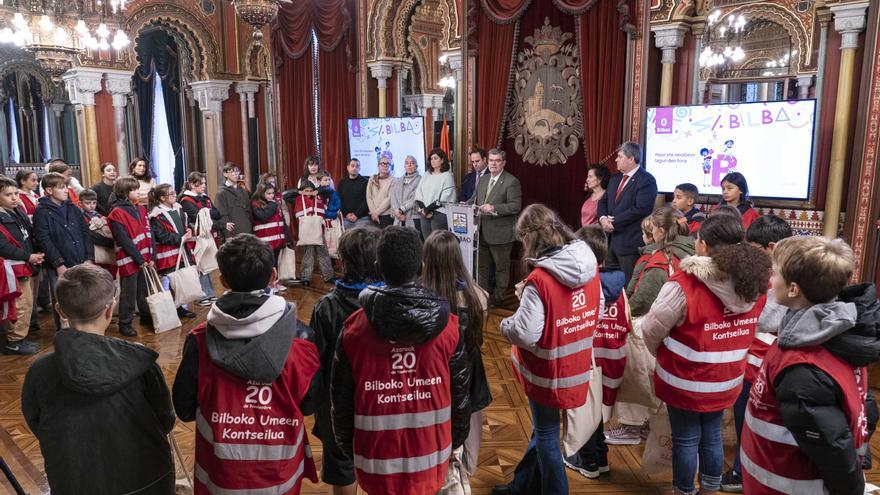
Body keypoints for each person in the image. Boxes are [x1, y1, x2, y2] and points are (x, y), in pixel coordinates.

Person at [172, 234, 320, 494]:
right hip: (279, 475)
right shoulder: (302, 340)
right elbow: (309, 405)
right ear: (273, 275)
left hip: (220, 474)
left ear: (223, 281)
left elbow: (184, 410)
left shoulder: (199, 340)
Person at [331, 226, 471, 495]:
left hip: (375, 462)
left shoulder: (353, 330)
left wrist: (354, 451)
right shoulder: (450, 329)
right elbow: (461, 399)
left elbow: (341, 404)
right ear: (420, 267)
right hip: (432, 457)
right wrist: (451, 443)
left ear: (377, 267)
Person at [641, 214, 770, 495]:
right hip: (726, 379)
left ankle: (684, 490)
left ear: (703, 246)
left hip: (683, 379)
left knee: (686, 439)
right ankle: (709, 490)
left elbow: (651, 329)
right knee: (712, 437)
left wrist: (659, 353)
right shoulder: (756, 283)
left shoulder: (684, 283)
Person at [741, 236, 880, 495]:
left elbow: (832, 444)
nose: (771, 278)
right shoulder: (834, 335)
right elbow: (864, 407)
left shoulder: (803, 368)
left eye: (775, 273)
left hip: (790, 485)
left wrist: (853, 487)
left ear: (793, 289)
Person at [21, 264, 175, 494]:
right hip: (146, 479)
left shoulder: (39, 371)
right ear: (110, 309)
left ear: (60, 311)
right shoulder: (142, 362)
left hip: (75, 482)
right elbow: (165, 420)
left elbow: (37, 423)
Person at [493, 204, 600, 495]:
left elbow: (525, 334)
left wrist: (506, 324)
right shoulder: (589, 266)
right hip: (577, 365)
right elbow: (597, 311)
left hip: (547, 372)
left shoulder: (539, 280)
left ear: (528, 236)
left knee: (547, 436)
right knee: (543, 431)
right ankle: (522, 486)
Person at [719, 214, 792, 493]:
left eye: (755, 249)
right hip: (767, 355)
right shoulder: (791, 269)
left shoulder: (780, 276)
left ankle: (742, 471)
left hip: (763, 357)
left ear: (771, 247)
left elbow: (764, 318)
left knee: (750, 417)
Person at [309, 225, 381, 495]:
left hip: (337, 403)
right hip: (382, 400)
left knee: (341, 464)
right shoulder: (391, 304)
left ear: (344, 260)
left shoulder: (326, 306)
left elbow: (314, 362)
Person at [422, 230, 491, 492]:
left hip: (434, 378)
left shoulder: (422, 297)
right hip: (470, 376)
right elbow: (478, 340)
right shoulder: (478, 296)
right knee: (468, 437)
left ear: (427, 260)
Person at [566, 224, 630, 479]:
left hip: (589, 357)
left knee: (585, 410)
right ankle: (601, 456)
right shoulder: (619, 283)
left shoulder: (583, 285)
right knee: (598, 411)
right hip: (613, 357)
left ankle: (588, 460)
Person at [33, 172, 95, 332]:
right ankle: (65, 333)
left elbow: (86, 233)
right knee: (62, 300)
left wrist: (89, 258)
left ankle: (84, 331)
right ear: (49, 190)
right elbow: (44, 239)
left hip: (81, 259)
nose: (66, 190)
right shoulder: (41, 212)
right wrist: (58, 263)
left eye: (66, 187)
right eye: (61, 188)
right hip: (59, 264)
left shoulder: (73, 208)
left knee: (83, 297)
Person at [468, 148, 522, 307]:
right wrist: (466, 204)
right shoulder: (483, 179)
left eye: (497, 160)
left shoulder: (511, 181)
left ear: (503, 163)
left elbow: (515, 206)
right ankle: (482, 297)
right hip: (481, 231)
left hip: (501, 234)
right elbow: (475, 199)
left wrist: (494, 208)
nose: (493, 163)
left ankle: (498, 299)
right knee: (481, 268)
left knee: (501, 269)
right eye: (491, 160)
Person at [597, 141, 659, 282]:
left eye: (620, 156)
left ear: (631, 159)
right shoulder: (615, 178)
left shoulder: (647, 180)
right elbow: (603, 202)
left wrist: (614, 222)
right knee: (609, 284)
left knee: (628, 284)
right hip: (610, 242)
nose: (616, 160)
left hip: (630, 244)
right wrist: (603, 219)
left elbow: (641, 208)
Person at [0, 177, 44, 355]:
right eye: (8, 194)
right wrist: (28, 256)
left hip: (25, 264)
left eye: (16, 193)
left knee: (26, 303)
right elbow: (3, 246)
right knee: (20, 304)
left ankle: (20, 337)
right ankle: (15, 341)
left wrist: (34, 253)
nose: (14, 198)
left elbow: (27, 235)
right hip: (12, 267)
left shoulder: (17, 210)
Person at [628, 207, 694, 318]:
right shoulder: (697, 251)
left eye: (653, 228)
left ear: (661, 231)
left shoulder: (661, 261)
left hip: (664, 323)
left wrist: (626, 311)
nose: (652, 232)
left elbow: (643, 302)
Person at [108, 176, 153, 337]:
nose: (138, 192)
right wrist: (139, 259)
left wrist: (151, 255)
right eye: (134, 189)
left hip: (145, 256)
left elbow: (149, 232)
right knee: (129, 292)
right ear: (125, 192)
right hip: (129, 258)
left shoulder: (141, 208)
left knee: (144, 290)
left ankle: (146, 317)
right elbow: (123, 239)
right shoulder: (116, 212)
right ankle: (125, 323)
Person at [148, 184, 197, 319]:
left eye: (174, 192)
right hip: (169, 254)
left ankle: (180, 307)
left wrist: (188, 230)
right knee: (171, 282)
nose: (175, 195)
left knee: (181, 281)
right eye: (171, 193)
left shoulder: (178, 208)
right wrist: (180, 238)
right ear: (162, 198)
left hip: (182, 250)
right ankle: (172, 309)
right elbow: (161, 236)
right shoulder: (156, 215)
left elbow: (184, 225)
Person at [179, 171, 219, 306]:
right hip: (195, 236)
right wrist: (207, 213)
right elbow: (196, 216)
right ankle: (201, 295)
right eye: (200, 183)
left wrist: (206, 213)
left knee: (207, 264)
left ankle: (210, 293)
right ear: (192, 185)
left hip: (206, 234)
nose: (204, 186)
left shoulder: (204, 198)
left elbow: (217, 213)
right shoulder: (186, 200)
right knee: (199, 265)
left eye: (204, 183)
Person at [292, 181, 334, 285]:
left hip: (319, 231)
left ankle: (328, 276)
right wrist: (299, 192)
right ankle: (305, 278)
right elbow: (285, 195)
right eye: (306, 191)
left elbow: (330, 190)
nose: (309, 193)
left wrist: (317, 191)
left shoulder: (319, 197)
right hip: (306, 233)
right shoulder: (297, 199)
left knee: (323, 254)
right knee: (308, 255)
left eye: (311, 191)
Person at [251, 181, 289, 293]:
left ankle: (275, 282)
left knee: (275, 262)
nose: (271, 196)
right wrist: (273, 205)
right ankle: (268, 284)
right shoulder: (255, 203)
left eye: (272, 193)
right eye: (268, 193)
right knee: (267, 264)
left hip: (276, 239)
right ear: (261, 193)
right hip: (265, 240)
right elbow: (263, 217)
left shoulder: (274, 202)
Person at [415, 147, 457, 238]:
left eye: (435, 158)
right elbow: (418, 192)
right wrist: (424, 209)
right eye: (431, 159)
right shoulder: (426, 174)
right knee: (427, 241)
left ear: (442, 160)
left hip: (439, 213)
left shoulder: (447, 176)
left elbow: (446, 198)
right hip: (424, 213)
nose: (433, 161)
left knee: (437, 242)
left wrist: (428, 210)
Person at [79, 188, 117, 278]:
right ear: (80, 203)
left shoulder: (98, 215)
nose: (92, 206)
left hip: (105, 250)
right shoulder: (79, 217)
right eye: (88, 203)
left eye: (94, 203)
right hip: (92, 251)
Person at [215, 162, 253, 239]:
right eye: (232, 171)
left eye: (237, 171)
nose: (236, 174)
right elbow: (222, 215)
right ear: (225, 174)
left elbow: (249, 212)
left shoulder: (243, 191)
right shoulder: (221, 193)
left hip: (247, 232)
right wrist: (227, 235)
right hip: (232, 234)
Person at [389, 155, 422, 229]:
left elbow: (415, 198)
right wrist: (398, 212)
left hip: (412, 217)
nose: (409, 165)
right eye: (407, 163)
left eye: (412, 163)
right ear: (404, 166)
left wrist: (401, 209)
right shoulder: (398, 181)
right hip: (398, 216)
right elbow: (393, 197)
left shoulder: (421, 180)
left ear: (416, 166)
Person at [337, 158, 370, 229]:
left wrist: (357, 215)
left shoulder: (365, 182)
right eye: (352, 166)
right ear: (348, 167)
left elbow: (366, 200)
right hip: (346, 218)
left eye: (357, 166)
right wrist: (346, 214)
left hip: (362, 218)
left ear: (359, 168)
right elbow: (339, 200)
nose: (355, 168)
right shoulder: (342, 182)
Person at [366, 156, 394, 227]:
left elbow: (389, 199)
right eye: (383, 163)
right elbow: (369, 197)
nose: (385, 166)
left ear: (391, 167)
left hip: (386, 216)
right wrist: (373, 213)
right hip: (373, 215)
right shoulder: (372, 179)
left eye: (388, 164)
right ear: (378, 166)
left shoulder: (394, 180)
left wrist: (377, 213)